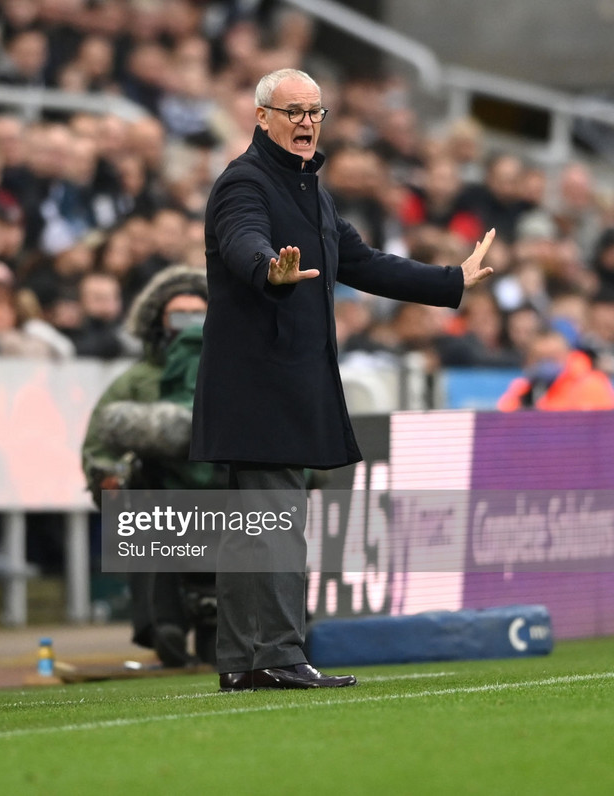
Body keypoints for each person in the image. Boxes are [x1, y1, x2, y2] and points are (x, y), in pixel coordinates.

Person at [190, 68, 496, 692]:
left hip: (283, 383)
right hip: (259, 384)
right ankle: (274, 653)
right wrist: (268, 270)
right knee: (273, 522)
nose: (306, 122)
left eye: (315, 111)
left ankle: (246, 661)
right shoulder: (245, 181)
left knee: (260, 528)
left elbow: (361, 262)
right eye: (293, 110)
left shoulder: (312, 192)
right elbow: (242, 239)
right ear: (261, 117)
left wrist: (451, 281)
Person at [82, 265, 225, 668]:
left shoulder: (236, 373)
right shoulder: (135, 382)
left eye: (200, 316)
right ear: (158, 322)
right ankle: (165, 623)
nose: (190, 327)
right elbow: (98, 447)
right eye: (179, 317)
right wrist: (106, 478)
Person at [497, 330, 614, 412]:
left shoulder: (592, 383)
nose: (547, 363)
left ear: (567, 355)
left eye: (553, 357)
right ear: (529, 361)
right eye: (540, 358)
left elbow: (600, 429)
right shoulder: (523, 388)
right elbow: (504, 424)